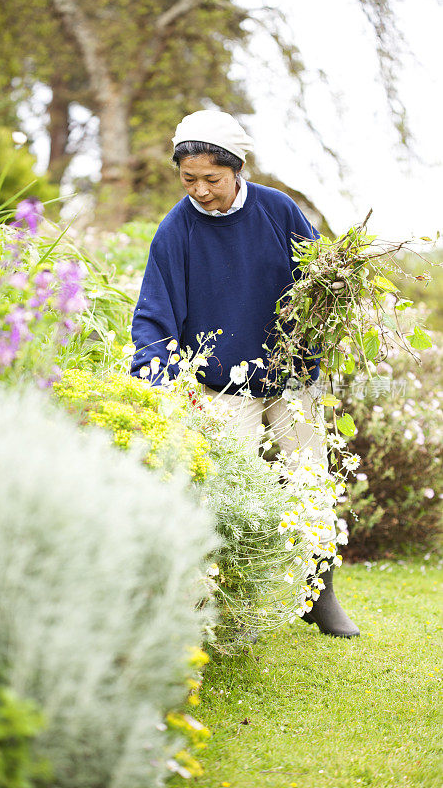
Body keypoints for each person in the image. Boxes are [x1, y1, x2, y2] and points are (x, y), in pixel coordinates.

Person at [130, 109, 359, 638]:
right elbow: (154, 314)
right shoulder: (175, 230)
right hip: (223, 384)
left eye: (211, 178)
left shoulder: (279, 212)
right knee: (226, 489)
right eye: (189, 179)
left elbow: (320, 280)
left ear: (237, 169)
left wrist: (320, 329)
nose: (201, 190)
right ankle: (218, 601)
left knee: (310, 481)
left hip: (291, 372)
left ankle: (320, 595)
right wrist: (155, 372)